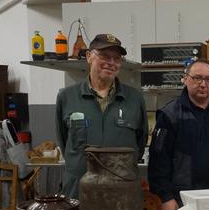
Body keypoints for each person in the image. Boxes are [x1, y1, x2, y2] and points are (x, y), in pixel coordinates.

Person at [55, 33, 147, 199]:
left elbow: (140, 143)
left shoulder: (134, 99)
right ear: (89, 56)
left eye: (117, 58)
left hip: (122, 191)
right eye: (104, 56)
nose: (111, 63)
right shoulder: (67, 97)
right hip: (79, 192)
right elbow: (64, 141)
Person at [148, 59, 209, 210]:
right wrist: (166, 196)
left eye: (208, 79)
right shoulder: (170, 115)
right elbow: (158, 160)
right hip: (180, 198)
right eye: (197, 78)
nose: (203, 84)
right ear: (185, 79)